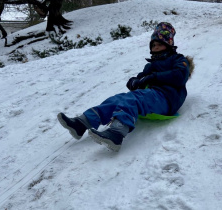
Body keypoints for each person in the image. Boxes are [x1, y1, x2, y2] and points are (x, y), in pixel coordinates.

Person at [57, 22, 194, 152]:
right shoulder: (151, 65)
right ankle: (82, 123)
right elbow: (140, 79)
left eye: (159, 44)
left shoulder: (178, 60)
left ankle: (116, 134)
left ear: (169, 44)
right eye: (153, 45)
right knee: (117, 99)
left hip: (166, 98)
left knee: (133, 98)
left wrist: (154, 77)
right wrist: (134, 81)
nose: (155, 47)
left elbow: (180, 75)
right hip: (151, 96)